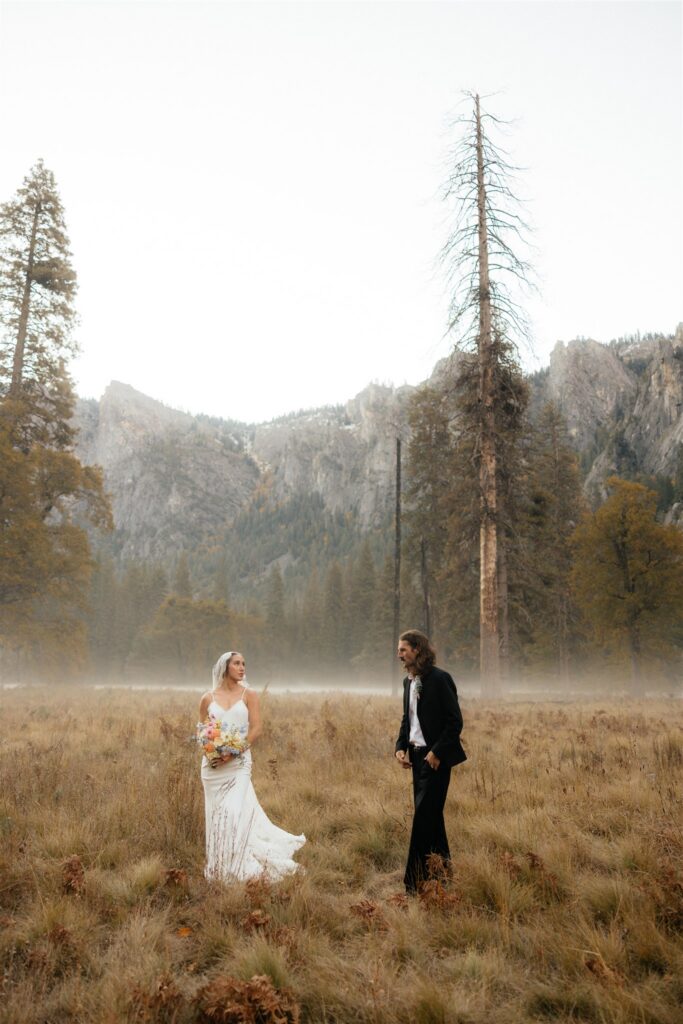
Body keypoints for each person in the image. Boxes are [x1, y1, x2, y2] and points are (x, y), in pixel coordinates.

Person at [199, 650, 305, 882]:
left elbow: (256, 729)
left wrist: (232, 752)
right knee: (217, 818)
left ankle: (241, 868)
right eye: (237, 663)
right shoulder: (207, 698)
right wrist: (212, 751)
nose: (242, 667)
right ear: (225, 667)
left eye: (244, 664)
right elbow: (203, 731)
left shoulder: (249, 695)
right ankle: (221, 867)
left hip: (239, 765)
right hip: (213, 769)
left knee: (232, 813)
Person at [394, 629, 466, 893]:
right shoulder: (407, 683)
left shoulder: (440, 679)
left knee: (423, 819)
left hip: (435, 760)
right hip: (415, 758)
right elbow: (408, 720)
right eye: (399, 650)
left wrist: (436, 752)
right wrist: (400, 747)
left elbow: (455, 722)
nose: (399, 655)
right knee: (432, 818)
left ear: (417, 650)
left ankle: (413, 884)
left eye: (403, 650)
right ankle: (444, 873)